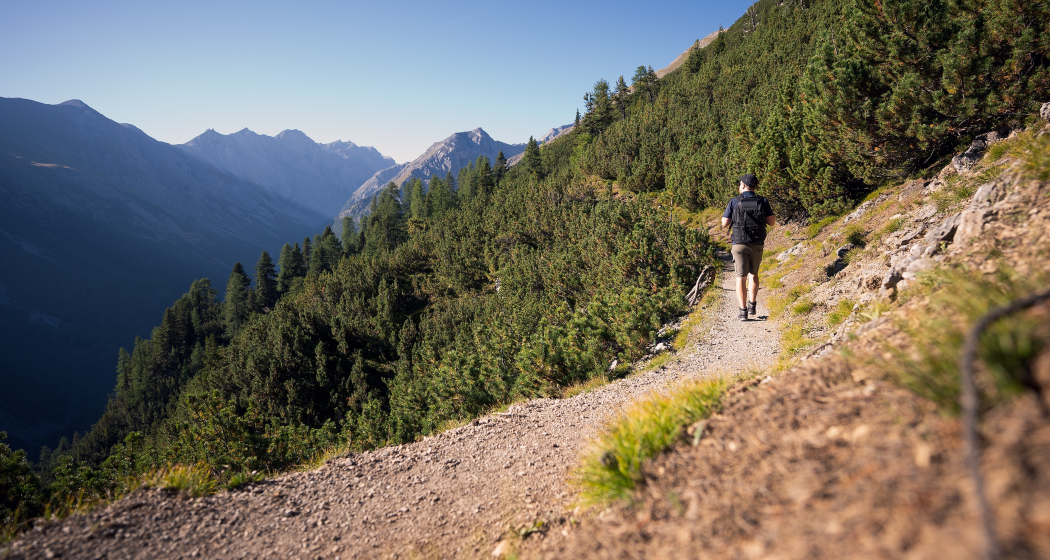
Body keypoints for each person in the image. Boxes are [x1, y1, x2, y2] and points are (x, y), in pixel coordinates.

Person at [721, 173, 775, 321]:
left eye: (739, 184)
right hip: (757, 243)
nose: (739, 186)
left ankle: (743, 311)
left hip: (739, 243)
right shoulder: (763, 201)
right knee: (754, 274)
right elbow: (771, 222)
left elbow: (724, 223)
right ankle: (752, 304)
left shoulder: (734, 201)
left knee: (740, 277)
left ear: (743, 185)